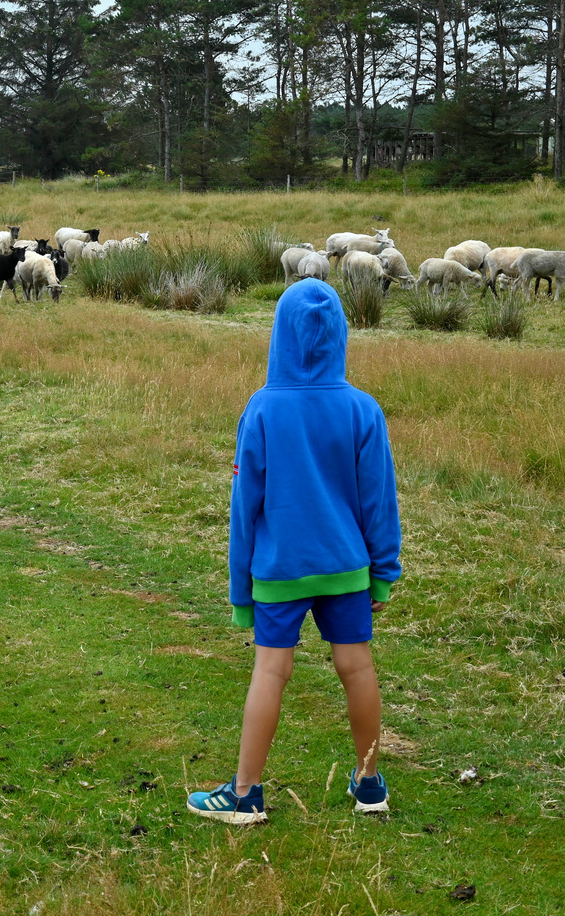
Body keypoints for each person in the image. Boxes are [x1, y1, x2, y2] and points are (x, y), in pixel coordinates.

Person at [186, 279, 401, 826]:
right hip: (347, 569)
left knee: (270, 671)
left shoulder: (261, 410)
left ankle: (244, 795)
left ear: (278, 333)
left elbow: (244, 509)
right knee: (357, 667)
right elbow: (380, 502)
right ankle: (370, 783)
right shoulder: (363, 410)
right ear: (340, 335)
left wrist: (242, 593)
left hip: (279, 572)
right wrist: (381, 577)